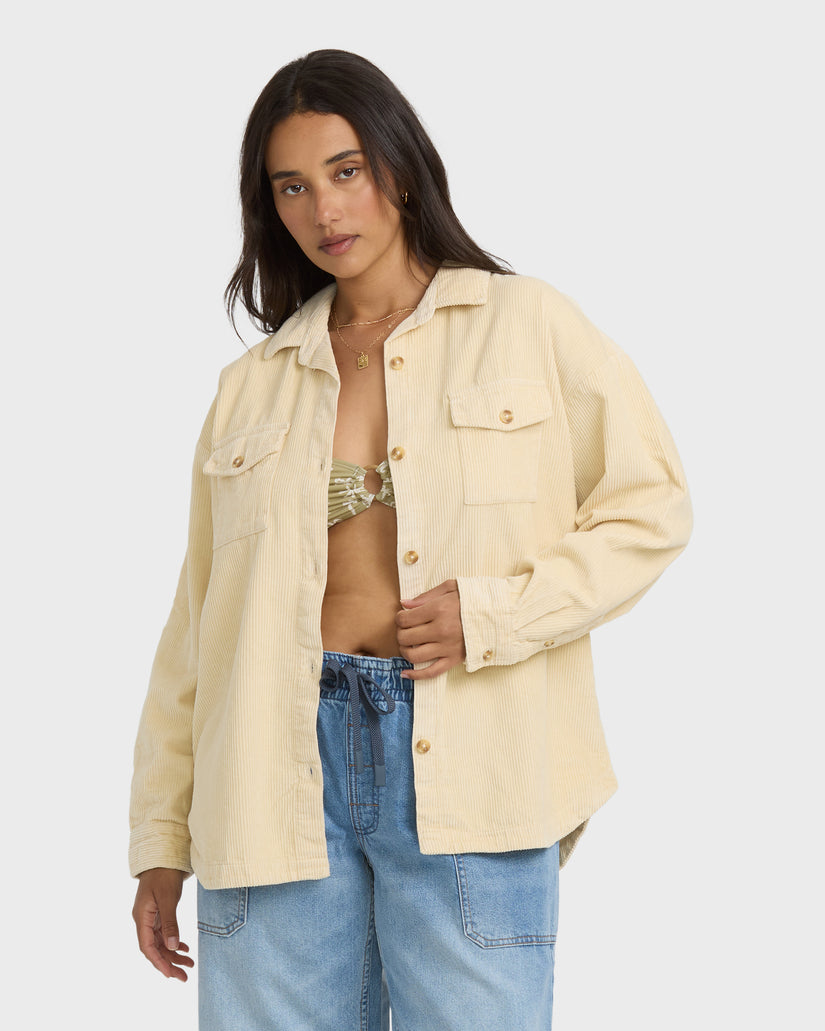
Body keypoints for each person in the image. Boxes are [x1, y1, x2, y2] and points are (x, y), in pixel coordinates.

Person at [129, 48, 692, 1030]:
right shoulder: (253, 385)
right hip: (269, 768)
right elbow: (197, 625)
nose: (323, 209)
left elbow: (652, 506)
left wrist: (496, 614)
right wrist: (160, 836)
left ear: (397, 168)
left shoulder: (526, 323)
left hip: (472, 753)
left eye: (344, 171)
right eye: (292, 186)